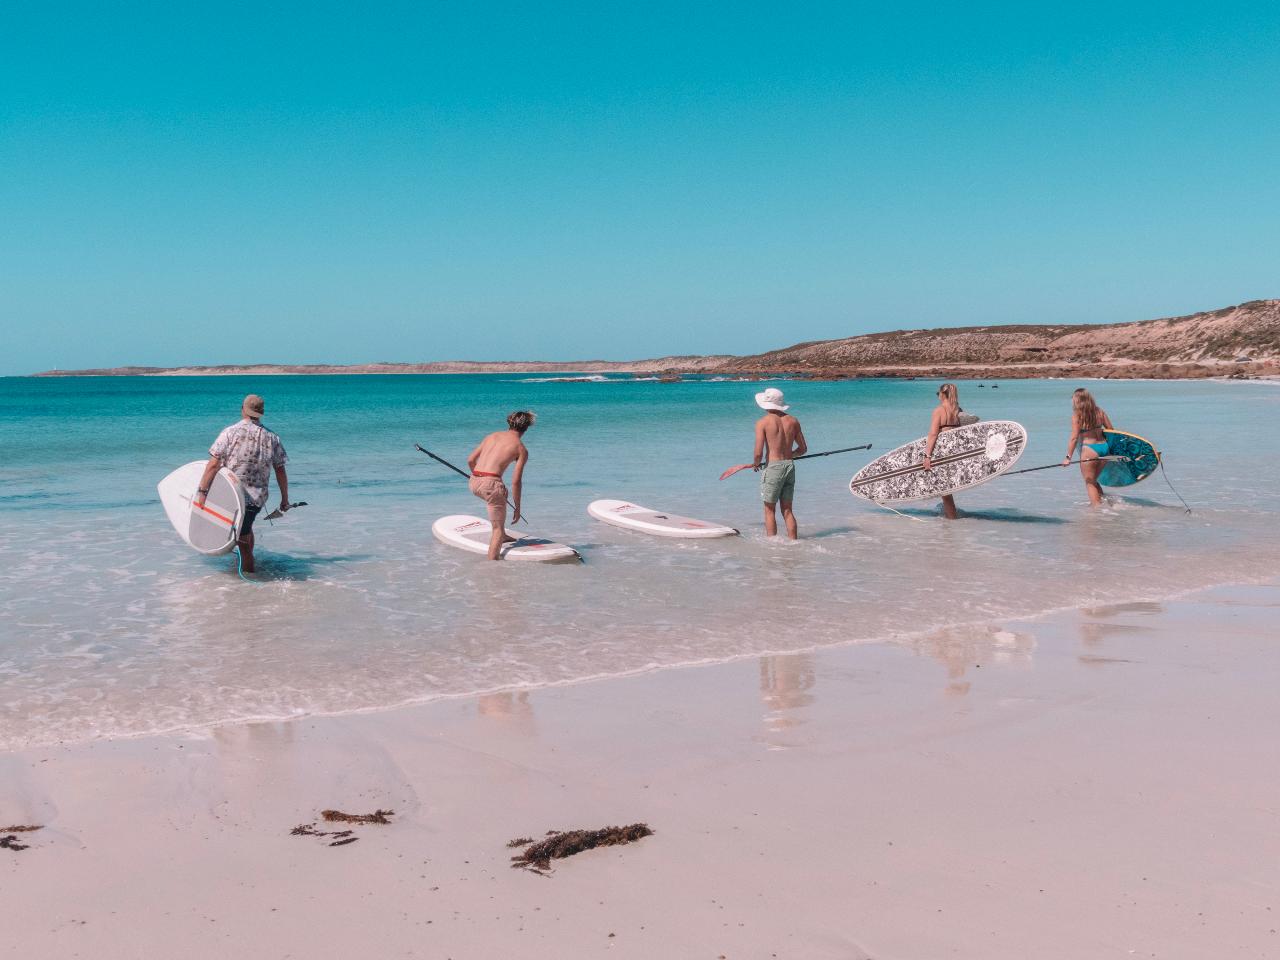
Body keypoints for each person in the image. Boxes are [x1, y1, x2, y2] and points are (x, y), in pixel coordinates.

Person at [195, 394, 289, 574]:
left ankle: (249, 580)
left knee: (243, 543)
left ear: (242, 410)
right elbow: (280, 470)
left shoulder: (230, 433)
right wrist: (285, 499)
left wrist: (202, 492)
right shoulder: (272, 438)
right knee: (246, 529)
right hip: (257, 499)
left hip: (233, 496)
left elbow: (213, 464)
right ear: (261, 413)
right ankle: (248, 564)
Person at [466, 411, 534, 560]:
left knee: (500, 496)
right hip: (491, 485)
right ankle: (492, 568)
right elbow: (516, 481)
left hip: (474, 481)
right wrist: (517, 507)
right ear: (527, 428)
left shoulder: (491, 436)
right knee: (496, 528)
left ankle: (503, 535)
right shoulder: (521, 449)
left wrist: (478, 478)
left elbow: (470, 460)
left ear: (509, 423)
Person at [753, 388, 807, 539]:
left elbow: (758, 453)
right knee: (787, 510)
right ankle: (794, 543)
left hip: (773, 468)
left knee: (769, 509)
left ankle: (772, 546)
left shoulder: (762, 423)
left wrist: (756, 464)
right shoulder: (793, 421)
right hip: (789, 466)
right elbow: (803, 449)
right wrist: (790, 455)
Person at [1061, 387, 1115, 506]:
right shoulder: (1100, 411)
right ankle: (1107, 504)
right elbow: (1111, 430)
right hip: (1104, 449)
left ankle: (1097, 512)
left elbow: (1074, 438)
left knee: (1089, 481)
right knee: (1094, 479)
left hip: (1090, 450)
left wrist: (1068, 457)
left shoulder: (1077, 416)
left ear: (1077, 401)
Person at [921, 382, 963, 519]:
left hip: (941, 452)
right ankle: (951, 519)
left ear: (943, 394)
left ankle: (952, 520)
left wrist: (927, 456)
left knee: (944, 489)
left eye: (937, 393)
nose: (937, 396)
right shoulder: (958, 409)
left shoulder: (939, 411)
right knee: (946, 488)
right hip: (954, 451)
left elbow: (933, 434)